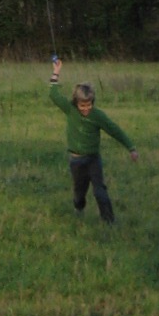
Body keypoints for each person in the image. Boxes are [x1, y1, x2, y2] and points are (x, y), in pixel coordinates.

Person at [48, 54, 137, 223]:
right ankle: (79, 208)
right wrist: (56, 72)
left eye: (89, 104)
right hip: (76, 160)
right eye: (82, 105)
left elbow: (115, 130)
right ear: (76, 102)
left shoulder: (98, 116)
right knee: (79, 193)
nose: (86, 108)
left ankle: (109, 221)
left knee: (99, 191)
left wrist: (131, 147)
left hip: (93, 159)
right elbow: (53, 94)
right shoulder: (70, 110)